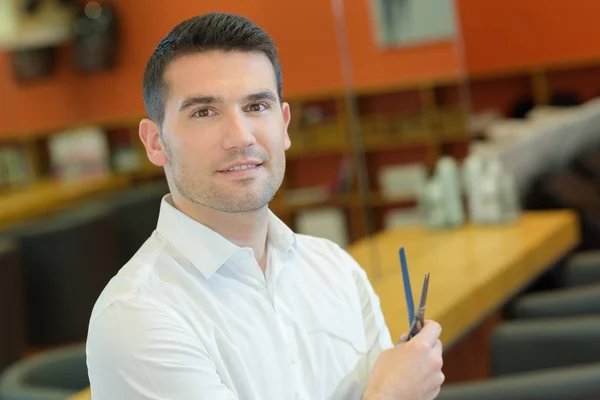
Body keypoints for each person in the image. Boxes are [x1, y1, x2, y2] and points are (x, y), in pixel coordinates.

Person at [86, 12, 444, 400]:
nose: (240, 137)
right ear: (155, 142)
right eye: (204, 112)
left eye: (256, 107)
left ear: (284, 124)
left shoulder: (335, 269)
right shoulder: (137, 316)